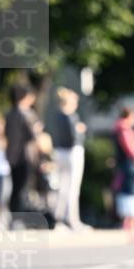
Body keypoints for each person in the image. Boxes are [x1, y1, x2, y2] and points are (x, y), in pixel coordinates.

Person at [52, 87, 87, 230]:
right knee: (73, 188)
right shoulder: (71, 117)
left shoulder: (58, 115)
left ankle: (58, 218)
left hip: (60, 152)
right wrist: (80, 130)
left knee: (62, 187)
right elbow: (74, 137)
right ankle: (72, 220)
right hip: (72, 153)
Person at [4, 84, 40, 221]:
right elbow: (32, 136)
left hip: (12, 156)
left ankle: (14, 216)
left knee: (15, 187)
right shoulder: (26, 114)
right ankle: (20, 217)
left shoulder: (9, 114)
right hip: (25, 156)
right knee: (23, 188)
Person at [113, 106, 134, 233]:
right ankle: (130, 222)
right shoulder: (124, 129)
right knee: (131, 191)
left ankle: (130, 221)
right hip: (128, 166)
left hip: (124, 165)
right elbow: (130, 148)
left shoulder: (119, 128)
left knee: (127, 190)